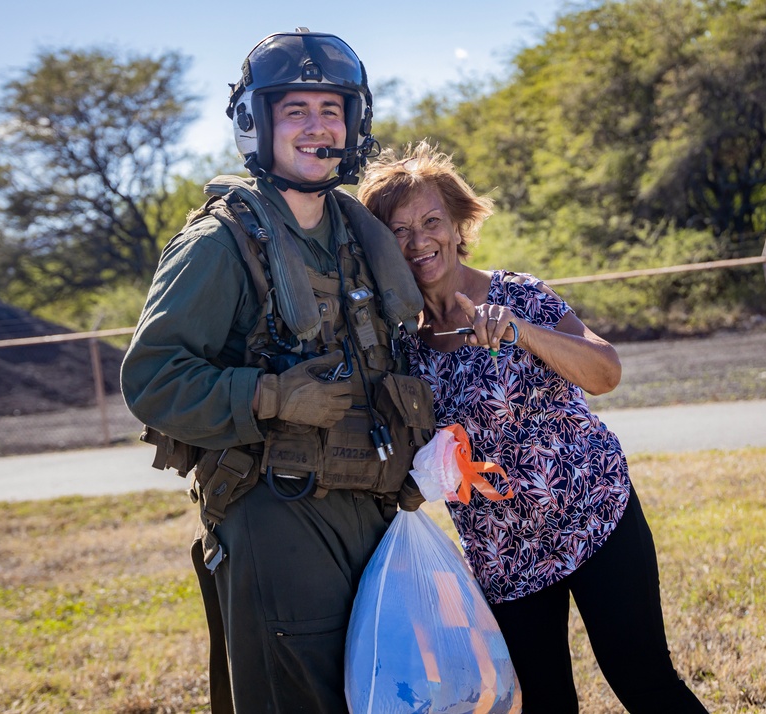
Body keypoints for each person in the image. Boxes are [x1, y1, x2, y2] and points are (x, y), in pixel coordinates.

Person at [121, 30, 431, 714]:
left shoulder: (359, 236)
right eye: (296, 111)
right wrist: (268, 396)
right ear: (255, 125)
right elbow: (151, 381)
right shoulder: (220, 242)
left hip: (375, 510)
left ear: (355, 123)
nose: (318, 127)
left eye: (331, 110)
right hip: (278, 513)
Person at [358, 141, 709, 714]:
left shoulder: (518, 294)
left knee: (642, 679)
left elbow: (606, 373)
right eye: (399, 230)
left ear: (457, 225)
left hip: (592, 514)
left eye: (431, 222)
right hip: (502, 550)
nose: (419, 241)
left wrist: (519, 331)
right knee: (542, 704)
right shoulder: (399, 344)